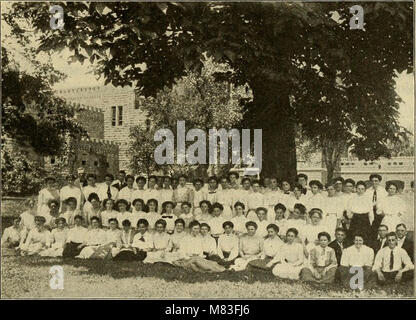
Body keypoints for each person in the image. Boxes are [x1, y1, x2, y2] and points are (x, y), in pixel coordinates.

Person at [345, 181, 374, 245]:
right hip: (355, 219)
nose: (360, 190)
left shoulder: (368, 199)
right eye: (359, 189)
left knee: (365, 238)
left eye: (362, 189)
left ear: (365, 190)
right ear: (356, 189)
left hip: (365, 220)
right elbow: (349, 212)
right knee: (354, 237)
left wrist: (370, 223)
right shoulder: (351, 199)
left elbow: (371, 213)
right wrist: (351, 217)